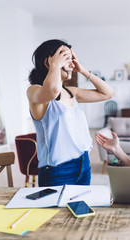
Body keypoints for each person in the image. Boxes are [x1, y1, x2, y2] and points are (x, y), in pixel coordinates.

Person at [27, 39, 114, 187]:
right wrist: (54, 65)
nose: (72, 64)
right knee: (55, 211)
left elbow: (108, 93)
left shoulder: (71, 91)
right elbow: (52, 91)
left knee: (79, 208)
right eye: (67, 58)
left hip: (83, 164)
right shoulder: (34, 91)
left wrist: (83, 71)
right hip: (57, 170)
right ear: (48, 62)